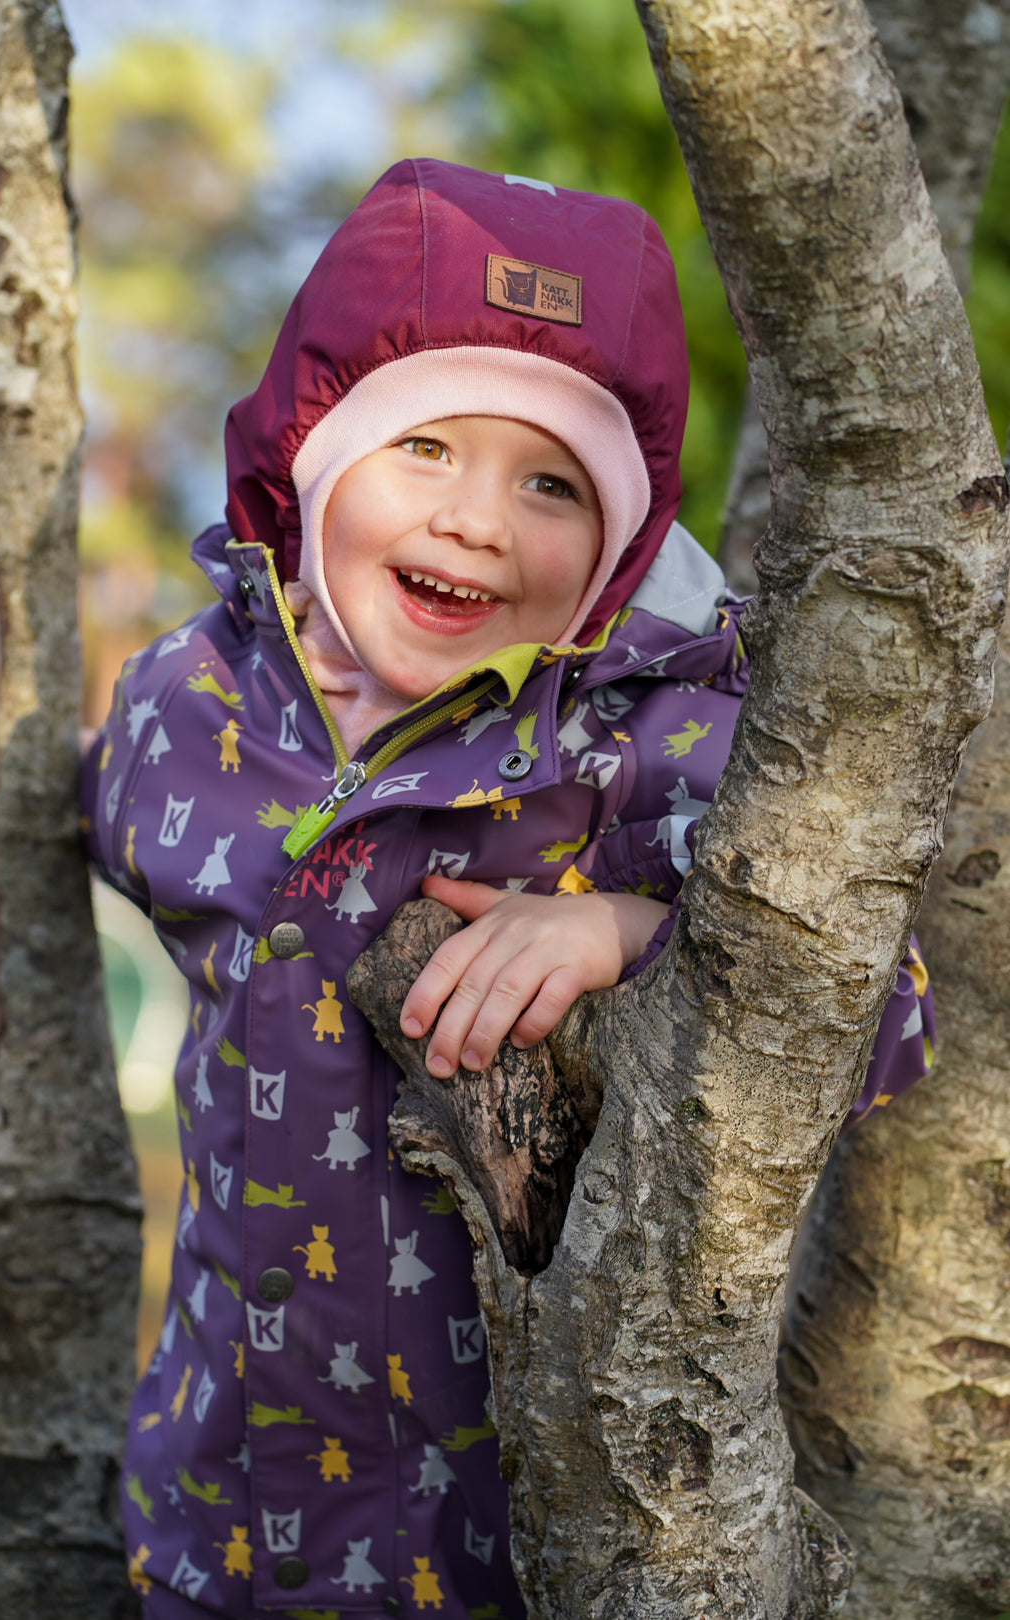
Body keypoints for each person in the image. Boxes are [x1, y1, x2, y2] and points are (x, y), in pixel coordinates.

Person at [80, 158, 933, 1620]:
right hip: (219, 1507)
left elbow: (870, 1007)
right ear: (319, 455)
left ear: (619, 552)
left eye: (553, 484)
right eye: (424, 449)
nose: (478, 519)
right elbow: (89, 819)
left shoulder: (641, 743)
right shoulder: (190, 700)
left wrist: (626, 927)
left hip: (495, 1539)